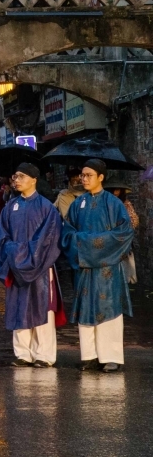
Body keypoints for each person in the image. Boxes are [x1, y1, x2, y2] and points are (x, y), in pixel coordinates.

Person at [62, 159, 133, 373]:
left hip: (107, 267)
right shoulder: (78, 204)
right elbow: (67, 232)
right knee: (86, 307)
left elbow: (124, 233)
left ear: (101, 177)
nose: (83, 179)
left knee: (109, 308)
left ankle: (111, 356)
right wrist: (81, 242)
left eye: (88, 175)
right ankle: (89, 355)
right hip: (85, 267)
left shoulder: (114, 204)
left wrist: (89, 243)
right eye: (82, 175)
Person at [0, 163, 63, 368]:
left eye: (21, 176)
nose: (16, 180)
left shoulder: (47, 207)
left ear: (34, 180)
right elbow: (1, 237)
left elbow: (50, 238)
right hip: (16, 266)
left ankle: (44, 355)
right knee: (19, 307)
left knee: (43, 308)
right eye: (15, 176)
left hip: (41, 266)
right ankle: (23, 353)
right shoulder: (10, 207)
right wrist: (16, 255)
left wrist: (26, 255)